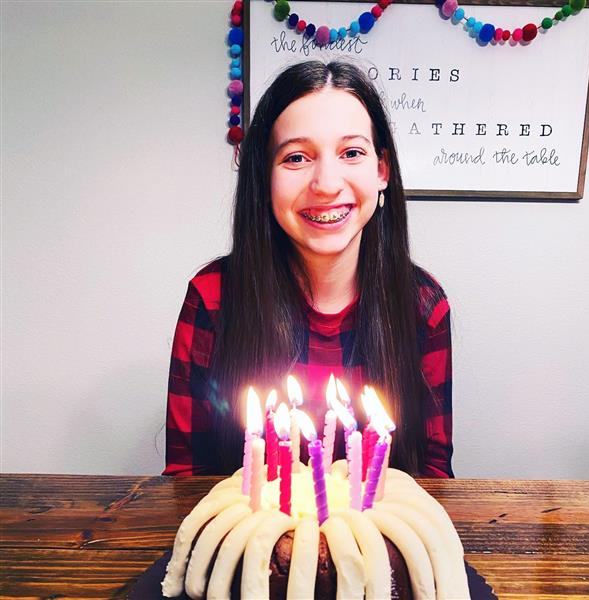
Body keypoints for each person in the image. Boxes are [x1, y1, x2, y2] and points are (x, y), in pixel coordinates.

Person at [164, 60, 453, 479]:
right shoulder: (214, 298)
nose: (326, 184)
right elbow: (184, 479)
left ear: (382, 170)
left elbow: (433, 479)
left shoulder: (422, 306)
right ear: (264, 177)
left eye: (351, 153)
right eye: (297, 157)